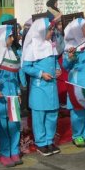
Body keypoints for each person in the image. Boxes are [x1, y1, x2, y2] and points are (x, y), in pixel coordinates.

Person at [22, 18, 61, 156]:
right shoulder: (32, 47)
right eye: (49, 30)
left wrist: (58, 69)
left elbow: (55, 61)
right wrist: (40, 74)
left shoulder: (51, 45)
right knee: (39, 115)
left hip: (52, 85)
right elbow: (26, 67)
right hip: (40, 86)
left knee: (52, 114)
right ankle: (41, 142)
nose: (52, 32)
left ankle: (49, 140)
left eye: (52, 29)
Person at [0, 25, 23, 167]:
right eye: (10, 36)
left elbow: (15, 76)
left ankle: (14, 151)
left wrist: (18, 92)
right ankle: (5, 153)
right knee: (3, 126)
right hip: (0, 96)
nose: (12, 39)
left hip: (13, 94)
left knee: (14, 124)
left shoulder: (11, 53)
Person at [62, 18, 85, 147]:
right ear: (77, 30)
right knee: (78, 110)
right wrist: (71, 58)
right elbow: (66, 66)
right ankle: (77, 135)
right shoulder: (69, 47)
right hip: (77, 83)